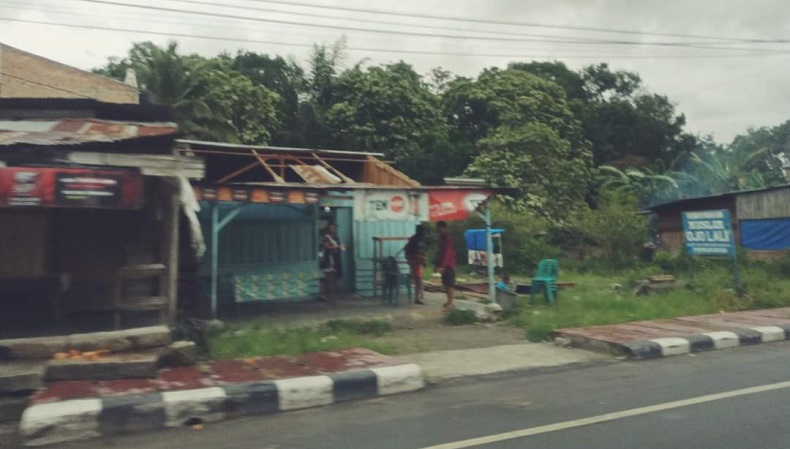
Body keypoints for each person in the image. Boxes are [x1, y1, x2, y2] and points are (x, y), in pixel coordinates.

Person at [319, 223, 345, 303]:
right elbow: (327, 247)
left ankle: (334, 294)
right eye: (332, 228)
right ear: (328, 229)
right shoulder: (326, 237)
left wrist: (342, 247)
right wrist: (337, 247)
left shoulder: (336, 237)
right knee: (327, 276)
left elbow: (339, 245)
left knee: (335, 276)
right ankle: (324, 294)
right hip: (328, 258)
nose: (333, 230)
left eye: (334, 228)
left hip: (336, 258)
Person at [434, 221, 456, 310]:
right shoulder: (441, 238)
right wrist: (437, 263)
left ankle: (450, 302)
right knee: (445, 283)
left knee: (450, 284)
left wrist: (443, 266)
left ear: (444, 228)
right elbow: (440, 252)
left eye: (439, 229)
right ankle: (449, 300)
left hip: (449, 264)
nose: (438, 230)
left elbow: (447, 252)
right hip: (443, 264)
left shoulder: (448, 238)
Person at [404, 224, 428, 305]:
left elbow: (408, 251)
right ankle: (417, 298)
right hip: (416, 261)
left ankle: (419, 297)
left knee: (418, 279)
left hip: (416, 261)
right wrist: (421, 258)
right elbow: (414, 252)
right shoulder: (417, 240)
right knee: (418, 280)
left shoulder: (415, 239)